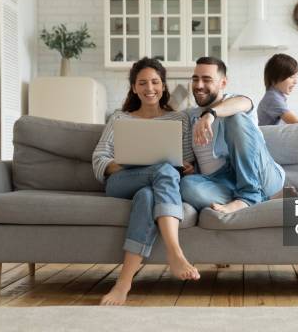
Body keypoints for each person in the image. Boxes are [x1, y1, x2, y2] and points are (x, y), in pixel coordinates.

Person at [92, 58, 200, 306]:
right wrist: (131, 162)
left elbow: (185, 159)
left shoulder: (178, 119)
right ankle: (175, 253)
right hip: (121, 181)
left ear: (163, 86)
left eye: (155, 82)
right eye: (142, 83)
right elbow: (99, 158)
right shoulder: (120, 119)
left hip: (154, 186)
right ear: (133, 87)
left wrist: (187, 167)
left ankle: (124, 283)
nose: (149, 88)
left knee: (147, 197)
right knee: (162, 169)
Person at [180, 57, 286, 214]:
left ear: (223, 83)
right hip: (221, 181)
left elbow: (244, 103)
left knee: (235, 116)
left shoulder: (236, 101)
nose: (199, 85)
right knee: (187, 186)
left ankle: (249, 196)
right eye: (195, 79)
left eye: (207, 79)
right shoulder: (190, 116)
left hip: (260, 172)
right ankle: (261, 197)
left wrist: (211, 114)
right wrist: (190, 168)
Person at [257, 53, 298, 126]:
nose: (295, 82)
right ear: (275, 77)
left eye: (296, 77)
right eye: (291, 77)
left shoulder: (275, 96)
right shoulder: (273, 98)